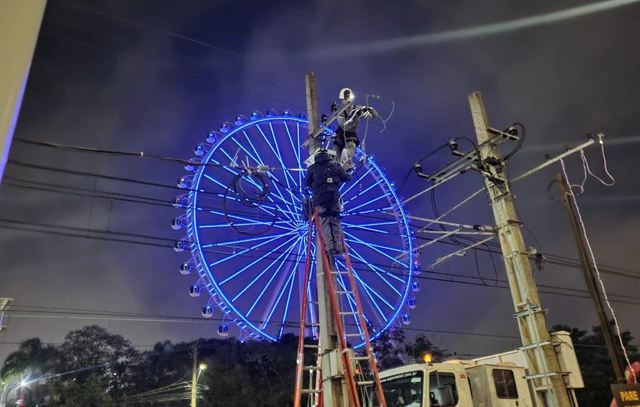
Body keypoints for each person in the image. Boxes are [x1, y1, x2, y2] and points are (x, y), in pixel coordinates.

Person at [305, 148, 351, 255]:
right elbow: (346, 178)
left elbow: (306, 183)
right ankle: (338, 247)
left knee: (325, 223)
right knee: (335, 222)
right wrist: (347, 171)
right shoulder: (335, 165)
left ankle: (329, 248)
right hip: (333, 197)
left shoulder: (312, 168)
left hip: (320, 199)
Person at [333, 87, 378, 172]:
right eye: (342, 100)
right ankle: (335, 167)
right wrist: (335, 112)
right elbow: (343, 124)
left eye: (344, 99)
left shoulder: (357, 108)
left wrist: (370, 110)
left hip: (350, 135)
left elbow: (372, 113)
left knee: (349, 148)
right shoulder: (340, 110)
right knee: (336, 152)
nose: (343, 101)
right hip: (340, 135)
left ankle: (345, 166)